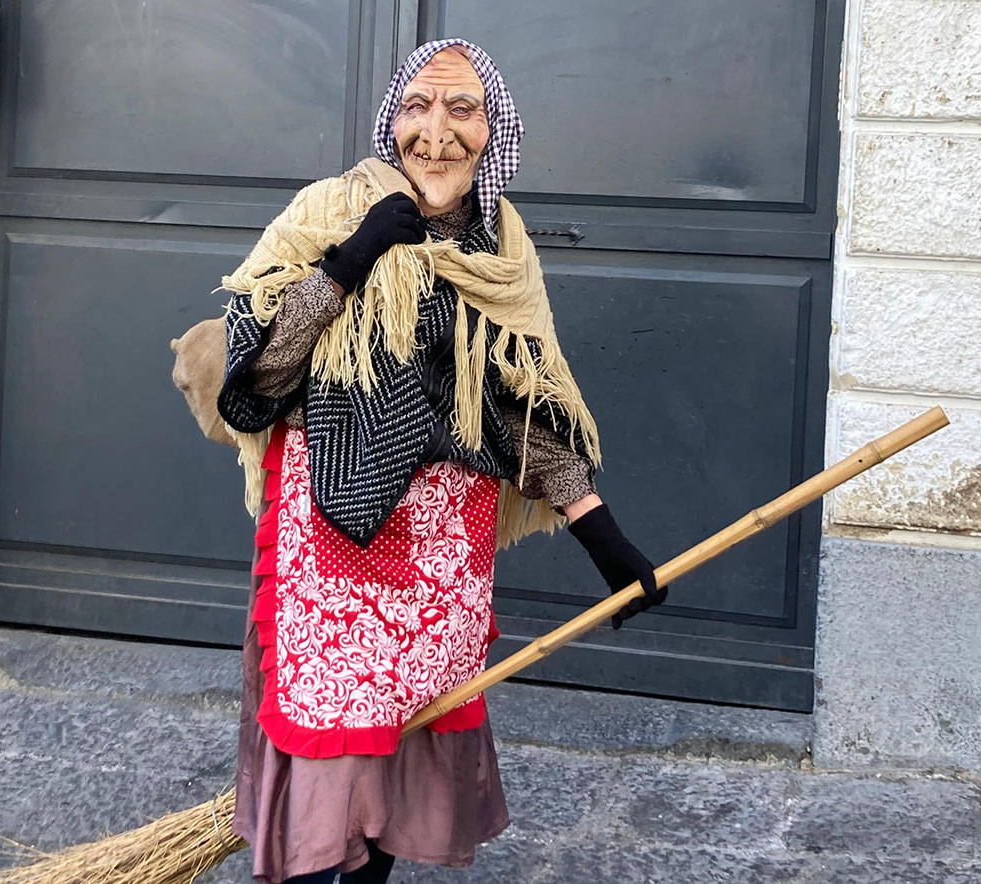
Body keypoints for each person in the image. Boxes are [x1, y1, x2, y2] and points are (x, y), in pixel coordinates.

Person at [213, 38, 668, 884]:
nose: (437, 131)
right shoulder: (326, 211)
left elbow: (516, 407)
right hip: (334, 533)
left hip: (439, 546)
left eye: (462, 109)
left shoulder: (501, 250)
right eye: (418, 107)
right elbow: (262, 379)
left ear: (494, 132)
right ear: (392, 122)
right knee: (329, 750)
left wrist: (603, 537)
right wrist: (348, 264)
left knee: (407, 740)